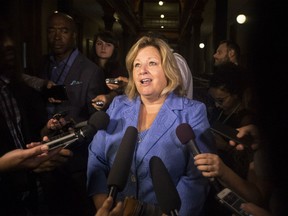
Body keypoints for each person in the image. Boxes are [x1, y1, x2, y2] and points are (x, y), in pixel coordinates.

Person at [87, 35, 215, 216]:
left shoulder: (192, 112)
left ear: (168, 70)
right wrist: (104, 206)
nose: (142, 70)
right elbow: (96, 158)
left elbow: (197, 178)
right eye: (137, 64)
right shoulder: (117, 106)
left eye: (152, 63)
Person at [33, 11, 106, 216]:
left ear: (74, 35)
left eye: (64, 31)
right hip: (43, 159)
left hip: (75, 163)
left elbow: (97, 121)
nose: (57, 37)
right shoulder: (40, 65)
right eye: (52, 31)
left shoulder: (90, 71)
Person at [0, 20, 73, 215]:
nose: (8, 44)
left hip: (28, 194)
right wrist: (7, 165)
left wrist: (46, 133)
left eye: (9, 36)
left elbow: (26, 136)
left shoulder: (15, 88)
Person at [91, 30, 128, 111]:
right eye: (99, 44)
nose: (103, 48)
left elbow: (120, 93)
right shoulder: (88, 67)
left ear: (114, 48)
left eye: (108, 45)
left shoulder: (120, 71)